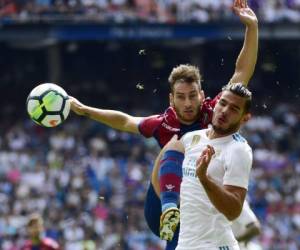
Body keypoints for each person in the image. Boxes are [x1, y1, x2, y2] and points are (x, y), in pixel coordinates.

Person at [69, 1, 258, 248]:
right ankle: (171, 208)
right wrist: (85, 111)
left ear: (202, 96)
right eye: (181, 97)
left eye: (193, 95)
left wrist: (252, 28)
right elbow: (125, 120)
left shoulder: (215, 110)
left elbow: (241, 73)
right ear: (171, 99)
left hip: (198, 204)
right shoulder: (162, 124)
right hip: (161, 203)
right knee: (176, 144)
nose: (188, 103)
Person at [159, 83, 253, 250]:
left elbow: (233, 211)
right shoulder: (192, 138)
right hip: (185, 245)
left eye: (234, 109)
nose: (224, 111)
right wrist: (168, 201)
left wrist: (204, 178)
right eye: (223, 103)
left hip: (215, 245)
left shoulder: (238, 149)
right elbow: (170, 155)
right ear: (215, 104)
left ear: (245, 118)